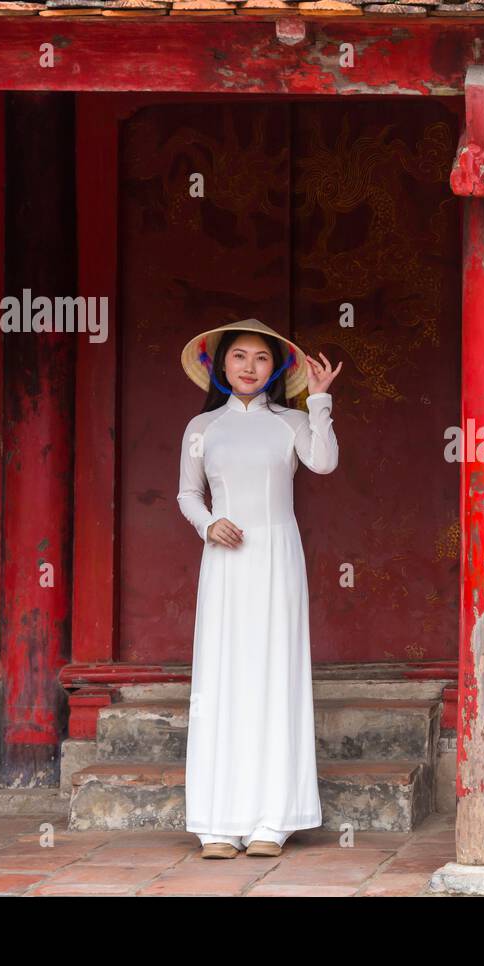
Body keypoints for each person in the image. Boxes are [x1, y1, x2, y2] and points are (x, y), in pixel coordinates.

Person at [175, 317, 343, 859]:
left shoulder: (291, 422)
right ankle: (217, 823)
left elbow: (324, 462)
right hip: (225, 559)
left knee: (275, 671)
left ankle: (274, 819)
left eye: (262, 358)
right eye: (240, 356)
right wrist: (208, 524)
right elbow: (186, 494)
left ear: (278, 367)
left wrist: (319, 402)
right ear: (220, 364)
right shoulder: (203, 429)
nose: (250, 367)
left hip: (276, 556)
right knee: (223, 674)